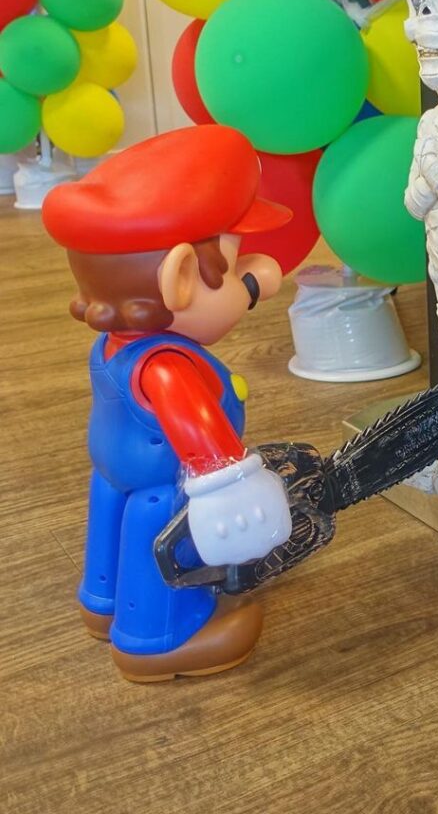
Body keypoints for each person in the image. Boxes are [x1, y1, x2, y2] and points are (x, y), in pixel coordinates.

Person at [42, 125, 293, 682]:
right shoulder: (168, 366)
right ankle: (158, 636)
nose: (256, 276)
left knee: (113, 509)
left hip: (113, 468)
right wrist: (239, 496)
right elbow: (206, 446)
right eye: (237, 268)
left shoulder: (115, 344)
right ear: (180, 277)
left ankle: (103, 600)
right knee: (157, 528)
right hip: (162, 482)